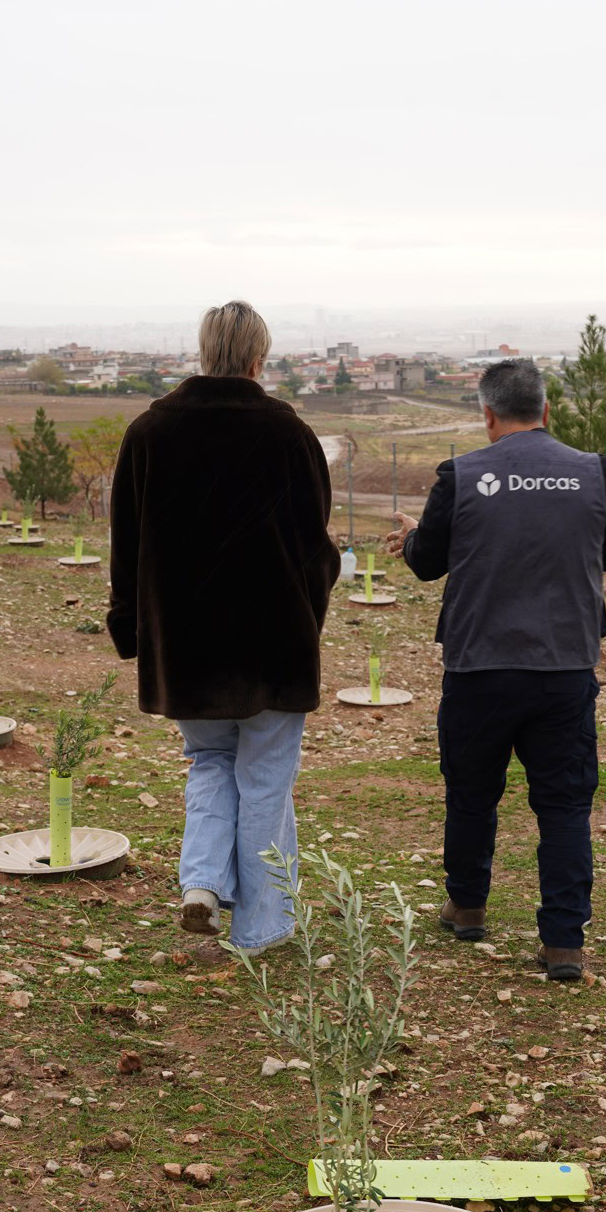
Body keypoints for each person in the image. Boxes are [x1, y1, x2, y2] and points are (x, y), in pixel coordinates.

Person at [384, 358, 606, 981]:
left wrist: (412, 536)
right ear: (547, 411)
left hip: (478, 668)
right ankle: (564, 943)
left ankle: (467, 908)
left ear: (487, 415)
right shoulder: (592, 471)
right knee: (564, 806)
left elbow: (426, 563)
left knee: (471, 792)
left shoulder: (461, 474)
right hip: (565, 668)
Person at [108, 300, 341, 954]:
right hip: (272, 647)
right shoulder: (288, 434)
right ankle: (263, 928)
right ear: (258, 358)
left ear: (203, 352)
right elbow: (314, 546)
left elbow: (125, 546)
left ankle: (203, 882)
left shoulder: (148, 433)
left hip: (184, 651)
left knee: (209, 761)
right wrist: (312, 609)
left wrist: (131, 630)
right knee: (265, 780)